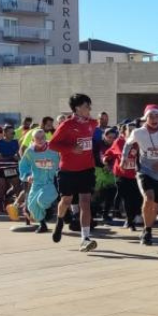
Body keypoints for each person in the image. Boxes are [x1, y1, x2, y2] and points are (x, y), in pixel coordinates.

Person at [47, 93, 99, 251]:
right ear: (76, 108)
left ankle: (85, 237)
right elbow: (52, 145)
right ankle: (60, 220)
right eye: (86, 106)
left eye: (89, 106)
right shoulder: (67, 125)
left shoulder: (92, 123)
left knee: (85, 201)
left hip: (87, 168)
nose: (89, 109)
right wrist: (71, 149)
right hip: (68, 169)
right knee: (66, 201)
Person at [126, 105, 158, 246]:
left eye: (157, 116)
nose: (154, 119)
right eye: (151, 116)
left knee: (156, 204)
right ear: (145, 118)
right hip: (144, 170)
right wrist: (124, 158)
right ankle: (147, 230)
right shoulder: (138, 132)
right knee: (149, 197)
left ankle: (148, 228)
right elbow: (127, 144)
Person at [19, 128, 60, 234]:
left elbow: (63, 159)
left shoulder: (54, 148)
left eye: (43, 137)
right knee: (31, 206)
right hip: (36, 182)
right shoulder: (29, 151)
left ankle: (50, 209)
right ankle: (43, 225)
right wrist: (27, 175)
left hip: (52, 181)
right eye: (37, 138)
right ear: (32, 139)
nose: (40, 139)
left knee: (41, 200)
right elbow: (23, 166)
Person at [104, 123, 142, 231]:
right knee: (127, 198)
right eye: (129, 130)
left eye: (134, 130)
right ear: (124, 131)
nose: (132, 132)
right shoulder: (119, 142)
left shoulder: (140, 142)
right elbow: (109, 152)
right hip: (122, 174)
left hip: (137, 175)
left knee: (136, 199)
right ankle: (130, 221)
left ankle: (133, 217)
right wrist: (106, 159)